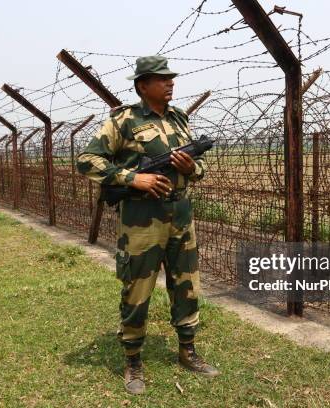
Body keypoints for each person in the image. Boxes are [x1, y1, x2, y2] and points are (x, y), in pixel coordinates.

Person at [76, 55, 219, 394]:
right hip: (141, 220)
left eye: (171, 77)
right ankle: (133, 361)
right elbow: (86, 160)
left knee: (187, 286)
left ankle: (188, 350)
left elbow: (198, 169)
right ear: (143, 85)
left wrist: (189, 169)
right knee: (137, 291)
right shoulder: (123, 120)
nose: (170, 82)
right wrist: (132, 179)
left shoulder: (180, 118)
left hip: (181, 216)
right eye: (161, 78)